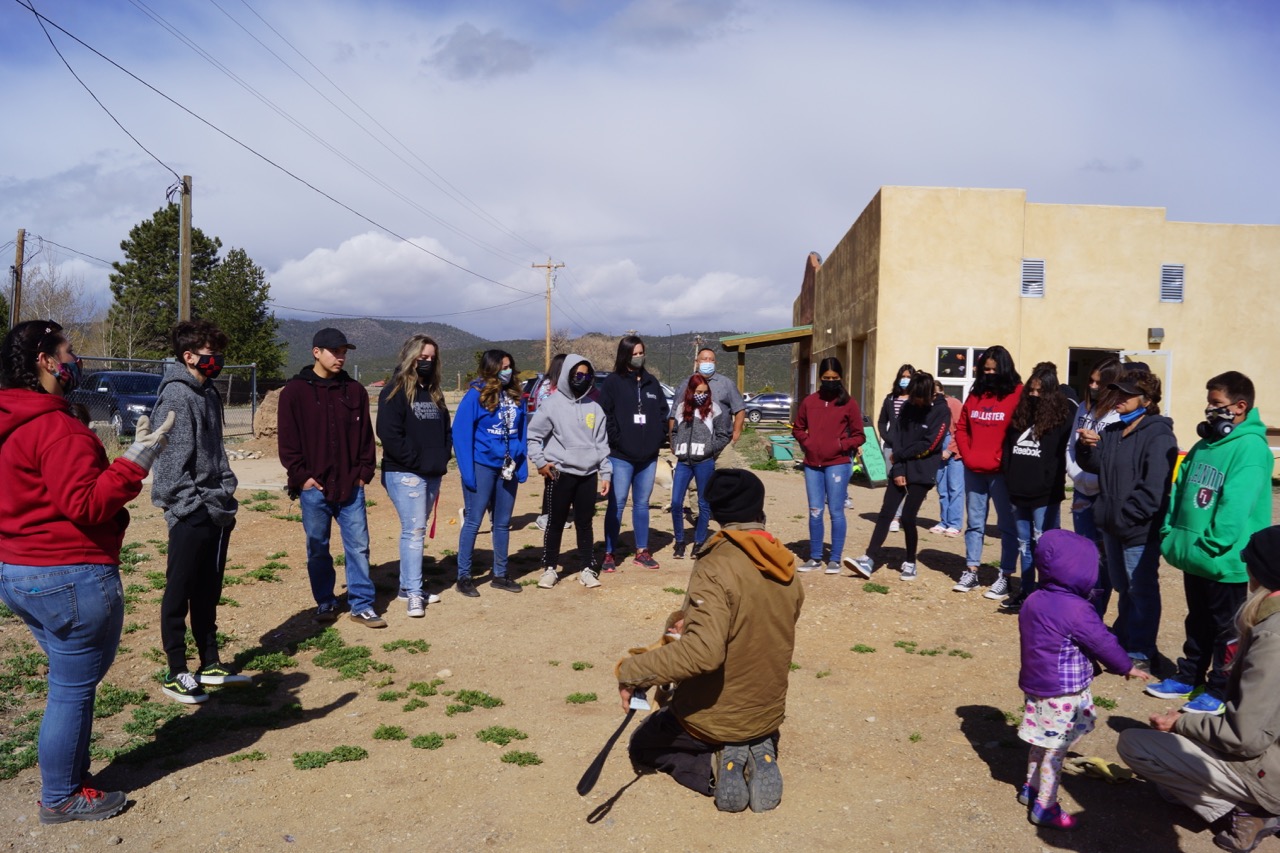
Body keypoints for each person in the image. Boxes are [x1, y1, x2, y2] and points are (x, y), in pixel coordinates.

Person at [0, 320, 174, 824]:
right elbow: (86, 503)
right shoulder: (55, 426)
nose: (75, 361)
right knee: (71, 689)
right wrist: (134, 464)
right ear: (46, 360)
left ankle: (70, 778)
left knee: (67, 682)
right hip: (69, 574)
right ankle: (60, 796)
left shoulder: (13, 421)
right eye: (69, 352)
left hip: (18, 571)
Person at [618, 469, 804, 812]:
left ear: (713, 511)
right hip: (767, 711)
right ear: (760, 510)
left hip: (717, 716)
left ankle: (714, 768)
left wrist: (631, 671)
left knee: (643, 745)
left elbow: (704, 654)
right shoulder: (785, 562)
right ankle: (757, 745)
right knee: (746, 720)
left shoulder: (717, 563)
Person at [1118, 526, 1280, 853]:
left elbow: (1245, 737)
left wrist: (1181, 723)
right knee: (1170, 784)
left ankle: (1246, 813)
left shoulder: (1273, 636)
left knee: (1135, 744)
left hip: (1271, 766)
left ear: (1261, 573)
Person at [1146, 371, 1273, 715]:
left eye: (1217, 404)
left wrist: (1214, 543)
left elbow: (1236, 504)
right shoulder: (1205, 445)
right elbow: (1181, 490)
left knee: (1225, 629)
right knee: (1197, 620)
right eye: (1209, 403)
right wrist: (1170, 530)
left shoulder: (1249, 448)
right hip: (1194, 554)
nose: (1209, 410)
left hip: (1223, 558)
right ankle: (1189, 677)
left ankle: (1219, 689)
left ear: (1240, 406)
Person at [1016, 529, 1151, 830]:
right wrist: (1125, 666)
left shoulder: (1034, 599)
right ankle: (1045, 807)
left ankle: (1031, 787)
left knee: (1042, 742)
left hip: (1037, 687)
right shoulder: (1077, 609)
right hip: (1063, 692)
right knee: (1056, 750)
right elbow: (1102, 642)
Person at [150, 320, 248, 705]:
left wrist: (225, 494)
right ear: (189, 356)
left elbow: (216, 454)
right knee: (180, 590)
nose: (217, 361)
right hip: (192, 513)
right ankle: (177, 671)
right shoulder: (177, 396)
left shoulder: (207, 393)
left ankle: (210, 663)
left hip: (216, 510)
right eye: (210, 355)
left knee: (208, 590)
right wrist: (193, 509)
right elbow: (170, 468)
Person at [278, 328, 383, 627]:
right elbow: (288, 441)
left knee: (359, 546)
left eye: (344, 352)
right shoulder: (295, 392)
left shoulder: (354, 390)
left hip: (351, 486)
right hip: (315, 489)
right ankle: (325, 600)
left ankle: (362, 604)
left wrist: (364, 474)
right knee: (317, 547)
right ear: (316, 352)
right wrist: (302, 478)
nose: (340, 357)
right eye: (334, 351)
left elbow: (366, 438)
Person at [1076, 369, 1178, 673]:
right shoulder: (1112, 431)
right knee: (1124, 588)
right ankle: (1124, 640)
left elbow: (1154, 489)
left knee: (1142, 591)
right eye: (1117, 392)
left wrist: (1125, 518)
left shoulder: (1158, 435)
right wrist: (1086, 446)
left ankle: (1142, 651)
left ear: (1146, 399)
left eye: (1125, 394)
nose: (1117, 398)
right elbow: (1094, 465)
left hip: (1137, 531)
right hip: (1112, 528)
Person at [377, 334, 451, 618]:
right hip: (405, 473)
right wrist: (418, 461)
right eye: (422, 357)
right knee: (414, 530)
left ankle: (408, 588)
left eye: (432, 358)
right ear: (410, 357)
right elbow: (388, 434)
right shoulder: (394, 390)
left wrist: (442, 456)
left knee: (417, 530)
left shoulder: (433, 391)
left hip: (432, 471)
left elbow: (445, 429)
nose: (427, 362)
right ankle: (414, 594)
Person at [848, 371, 948, 581]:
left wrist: (900, 456)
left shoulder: (941, 411)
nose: (914, 401)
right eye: (911, 397)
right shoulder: (907, 407)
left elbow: (930, 444)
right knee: (886, 513)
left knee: (909, 517)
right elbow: (898, 438)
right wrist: (899, 469)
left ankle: (910, 561)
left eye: (918, 397)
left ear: (929, 395)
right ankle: (869, 558)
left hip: (922, 471)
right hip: (900, 466)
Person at [526, 355, 611, 589]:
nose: (580, 379)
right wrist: (541, 462)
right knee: (555, 522)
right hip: (560, 474)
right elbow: (533, 436)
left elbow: (602, 444)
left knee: (585, 523)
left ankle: (586, 568)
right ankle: (550, 568)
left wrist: (606, 473)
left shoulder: (596, 408)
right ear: (567, 375)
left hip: (587, 475)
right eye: (576, 375)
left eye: (585, 375)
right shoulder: (552, 404)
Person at [452, 349, 527, 596]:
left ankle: (501, 574)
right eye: (503, 367)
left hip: (508, 468)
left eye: (510, 366)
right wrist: (467, 472)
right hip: (482, 465)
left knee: (503, 523)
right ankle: (464, 576)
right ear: (491, 368)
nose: (508, 371)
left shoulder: (517, 396)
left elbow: (523, 430)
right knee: (474, 520)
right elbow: (461, 434)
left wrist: (522, 462)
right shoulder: (475, 395)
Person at [999, 362, 1073, 611]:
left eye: (1040, 391)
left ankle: (1048, 593)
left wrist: (1049, 485)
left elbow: (1061, 457)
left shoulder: (1062, 418)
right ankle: (1026, 591)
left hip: (1044, 494)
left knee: (1045, 544)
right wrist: (1010, 479)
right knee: (1024, 544)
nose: (1033, 395)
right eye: (1031, 390)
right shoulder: (1020, 415)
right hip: (1018, 491)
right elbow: (1009, 449)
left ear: (1050, 393)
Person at [953, 345, 1022, 598]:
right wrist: (968, 453)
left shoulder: (1018, 393)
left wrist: (1005, 458)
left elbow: (1022, 431)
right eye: (986, 370)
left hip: (1003, 473)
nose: (989, 374)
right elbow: (961, 427)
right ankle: (971, 570)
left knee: (1007, 526)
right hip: (974, 470)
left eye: (994, 369)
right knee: (974, 523)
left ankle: (1005, 576)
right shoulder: (976, 393)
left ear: (1004, 369)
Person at [598, 335, 669, 571]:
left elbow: (662, 412)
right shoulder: (612, 383)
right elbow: (605, 415)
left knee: (642, 503)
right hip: (620, 456)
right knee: (616, 503)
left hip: (647, 457)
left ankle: (642, 551)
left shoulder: (652, 383)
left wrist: (657, 439)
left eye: (641, 353)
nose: (639, 357)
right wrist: (616, 439)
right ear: (625, 355)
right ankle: (609, 553)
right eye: (634, 353)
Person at [792, 357, 866, 574]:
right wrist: (808, 443)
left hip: (838, 464)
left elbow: (860, 435)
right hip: (812, 465)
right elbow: (797, 428)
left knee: (835, 511)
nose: (830, 381)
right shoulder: (809, 401)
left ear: (840, 378)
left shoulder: (849, 403)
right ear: (820, 378)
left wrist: (841, 444)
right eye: (826, 378)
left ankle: (834, 558)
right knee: (815, 511)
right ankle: (815, 557)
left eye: (834, 378)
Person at [1065, 356, 1125, 616]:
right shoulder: (1082, 408)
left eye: (1098, 383)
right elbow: (1070, 446)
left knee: (1104, 559)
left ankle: (1095, 613)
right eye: (1090, 381)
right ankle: (1085, 610)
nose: (1092, 386)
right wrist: (1077, 476)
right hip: (1081, 490)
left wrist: (1096, 480)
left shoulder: (1119, 416)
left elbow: (1117, 460)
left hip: (1104, 495)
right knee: (1084, 555)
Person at [668, 373, 733, 558]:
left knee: (704, 503)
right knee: (675, 503)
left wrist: (709, 449)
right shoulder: (681, 408)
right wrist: (676, 446)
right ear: (690, 391)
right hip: (683, 463)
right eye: (698, 391)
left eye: (705, 392)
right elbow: (674, 429)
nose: (701, 395)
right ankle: (679, 542)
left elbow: (723, 434)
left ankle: (699, 542)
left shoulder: (714, 409)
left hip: (704, 462)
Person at [531, 353, 568, 533]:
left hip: (561, 441)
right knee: (551, 479)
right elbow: (545, 415)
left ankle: (556, 516)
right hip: (549, 442)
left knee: (559, 481)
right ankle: (545, 516)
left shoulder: (562, 387)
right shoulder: (547, 387)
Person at [876, 363, 915, 533]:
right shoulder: (890, 398)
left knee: (908, 482)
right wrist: (887, 437)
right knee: (893, 481)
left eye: (908, 377)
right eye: (903, 376)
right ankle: (894, 516)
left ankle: (905, 515)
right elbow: (882, 421)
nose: (905, 380)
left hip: (910, 447)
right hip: (891, 447)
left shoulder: (916, 400)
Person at [928, 380, 964, 537]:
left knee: (955, 488)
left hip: (955, 453)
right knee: (942, 489)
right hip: (938, 452)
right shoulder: (930, 408)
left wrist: (950, 450)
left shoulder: (954, 404)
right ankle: (944, 521)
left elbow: (961, 429)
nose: (935, 396)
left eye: (937, 393)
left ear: (942, 391)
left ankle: (955, 523)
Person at [694, 347, 746, 444]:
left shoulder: (726, 383)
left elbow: (740, 409)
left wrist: (736, 432)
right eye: (705, 359)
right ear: (697, 362)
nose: (708, 362)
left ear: (715, 363)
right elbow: (675, 413)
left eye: (712, 360)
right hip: (694, 442)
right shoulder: (686, 384)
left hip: (722, 441)